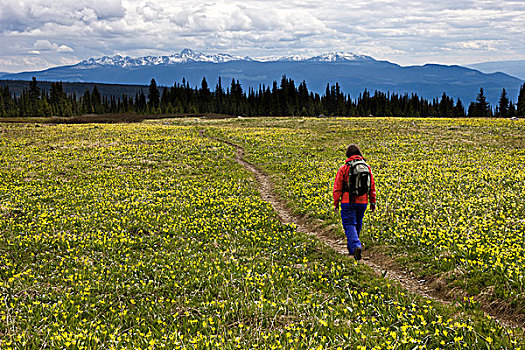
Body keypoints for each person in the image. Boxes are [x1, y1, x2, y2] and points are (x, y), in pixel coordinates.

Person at [333, 144, 376, 260]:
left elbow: (337, 188)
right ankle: (352, 249)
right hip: (363, 201)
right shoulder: (367, 167)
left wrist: (336, 203)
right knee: (357, 222)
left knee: (349, 224)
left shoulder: (344, 168)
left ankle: (356, 245)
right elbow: (372, 186)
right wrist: (373, 202)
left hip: (348, 201)